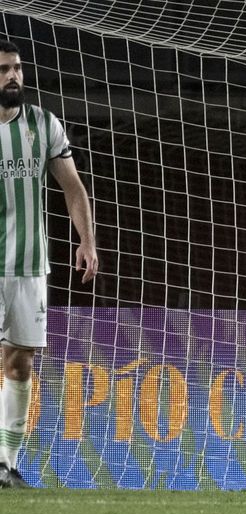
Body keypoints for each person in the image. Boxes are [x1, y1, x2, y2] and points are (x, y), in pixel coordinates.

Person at [0, 41, 97, 488]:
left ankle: (7, 464)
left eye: (17, 68)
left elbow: (72, 188)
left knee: (19, 364)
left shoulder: (43, 123)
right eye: (4, 70)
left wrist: (87, 240)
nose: (13, 76)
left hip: (29, 266)